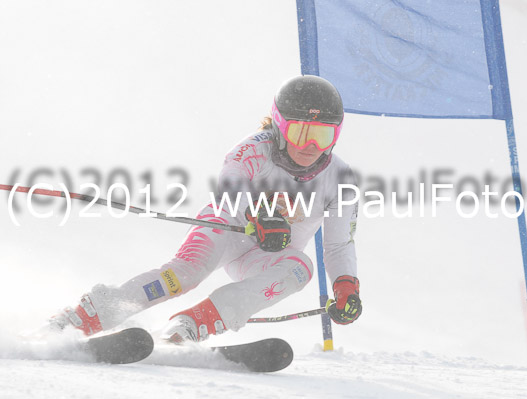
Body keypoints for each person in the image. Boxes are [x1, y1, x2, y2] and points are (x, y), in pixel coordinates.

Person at [49, 75, 362, 343]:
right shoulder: (251, 151)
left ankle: (191, 324)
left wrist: (346, 286)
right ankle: (86, 316)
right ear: (280, 126)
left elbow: (337, 245)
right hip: (225, 230)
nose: (311, 147)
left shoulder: (340, 179)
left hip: (266, 255)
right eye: (301, 133)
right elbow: (229, 196)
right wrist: (257, 217)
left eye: (324, 136)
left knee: (299, 268)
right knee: (185, 274)